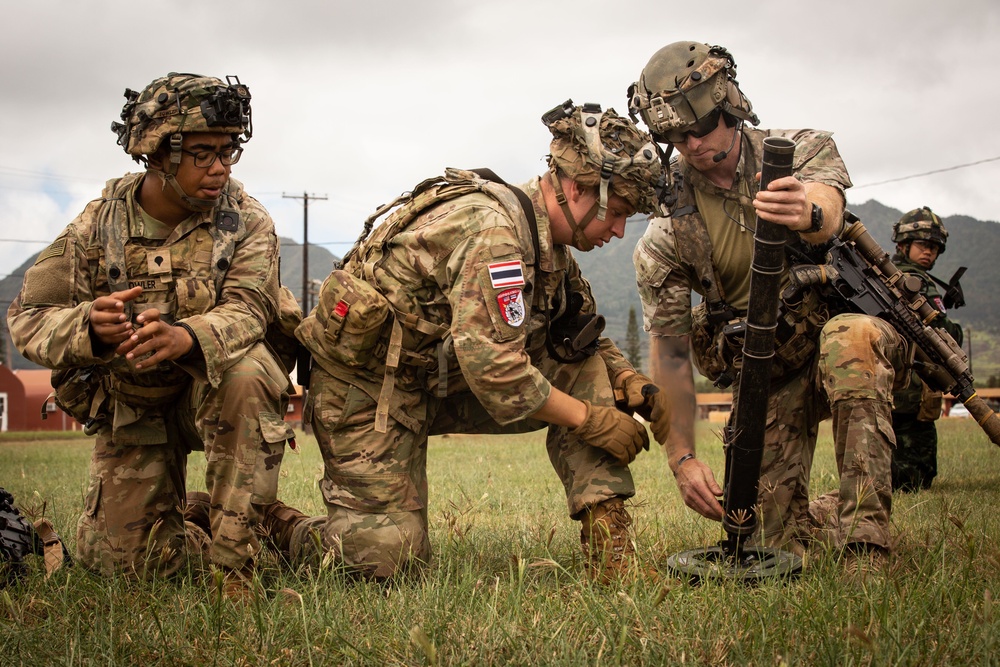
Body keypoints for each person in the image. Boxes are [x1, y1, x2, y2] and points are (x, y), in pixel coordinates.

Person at [286, 101, 672, 583]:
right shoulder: (494, 233)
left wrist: (629, 379)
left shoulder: (544, 240)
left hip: (438, 380)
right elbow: (495, 369)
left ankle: (610, 546)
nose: (618, 230)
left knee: (585, 367)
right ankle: (279, 526)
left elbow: (578, 331)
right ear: (577, 189)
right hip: (368, 392)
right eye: (616, 213)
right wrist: (590, 419)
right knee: (383, 562)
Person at [7, 72, 304, 597]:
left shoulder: (247, 221)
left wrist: (188, 337)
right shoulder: (96, 228)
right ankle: (196, 519)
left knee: (248, 369)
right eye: (202, 154)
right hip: (132, 406)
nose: (219, 167)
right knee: (127, 567)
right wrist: (88, 328)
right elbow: (27, 317)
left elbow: (251, 307)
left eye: (228, 151)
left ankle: (237, 566)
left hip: (208, 396)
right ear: (156, 153)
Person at [628, 42, 907, 564]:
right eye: (674, 136)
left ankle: (865, 540)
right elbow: (669, 355)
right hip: (772, 368)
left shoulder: (799, 150)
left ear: (729, 106)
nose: (689, 144)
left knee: (850, 340)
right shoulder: (667, 232)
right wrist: (681, 456)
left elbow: (828, 199)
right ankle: (823, 511)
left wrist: (808, 211)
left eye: (700, 127)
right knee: (767, 540)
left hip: (854, 341)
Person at [889, 207, 963, 492]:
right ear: (903, 245)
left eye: (934, 248)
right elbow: (945, 333)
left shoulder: (886, 273)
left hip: (889, 385)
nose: (929, 253)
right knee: (915, 480)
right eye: (923, 245)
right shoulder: (918, 283)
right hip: (912, 390)